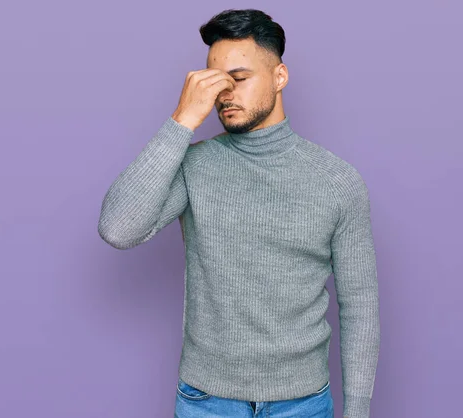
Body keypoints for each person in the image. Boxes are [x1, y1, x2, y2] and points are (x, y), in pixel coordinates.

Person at [97, 8, 380, 418]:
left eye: (240, 78)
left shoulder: (337, 181)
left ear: (279, 77)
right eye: (215, 82)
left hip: (302, 403)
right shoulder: (194, 166)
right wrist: (183, 119)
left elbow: (360, 306)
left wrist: (357, 412)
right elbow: (118, 229)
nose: (225, 94)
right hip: (206, 401)